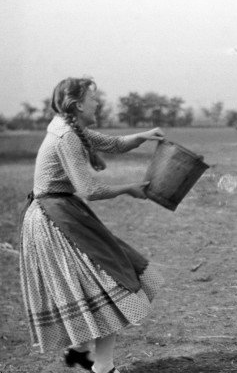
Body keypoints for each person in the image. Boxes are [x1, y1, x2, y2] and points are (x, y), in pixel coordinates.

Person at [18, 77, 165, 373]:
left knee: (93, 287)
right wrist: (129, 187)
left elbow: (111, 143)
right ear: (78, 105)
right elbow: (89, 190)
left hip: (61, 211)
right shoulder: (66, 136)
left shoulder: (70, 128)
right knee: (108, 288)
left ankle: (79, 352)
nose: (98, 102)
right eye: (93, 98)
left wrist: (144, 135)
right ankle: (103, 367)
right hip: (54, 217)